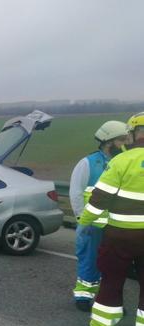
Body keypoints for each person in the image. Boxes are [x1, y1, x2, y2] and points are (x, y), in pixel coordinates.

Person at [79, 112, 144, 326]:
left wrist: (85, 221)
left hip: (120, 236)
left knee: (111, 283)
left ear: (135, 133)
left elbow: (98, 200)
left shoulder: (122, 161)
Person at [69, 121, 130, 312]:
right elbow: (76, 193)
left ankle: (108, 300)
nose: (125, 143)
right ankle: (83, 296)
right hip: (92, 225)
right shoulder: (88, 163)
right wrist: (81, 219)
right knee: (89, 261)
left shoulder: (123, 162)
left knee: (113, 266)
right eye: (121, 140)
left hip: (116, 226)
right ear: (108, 141)